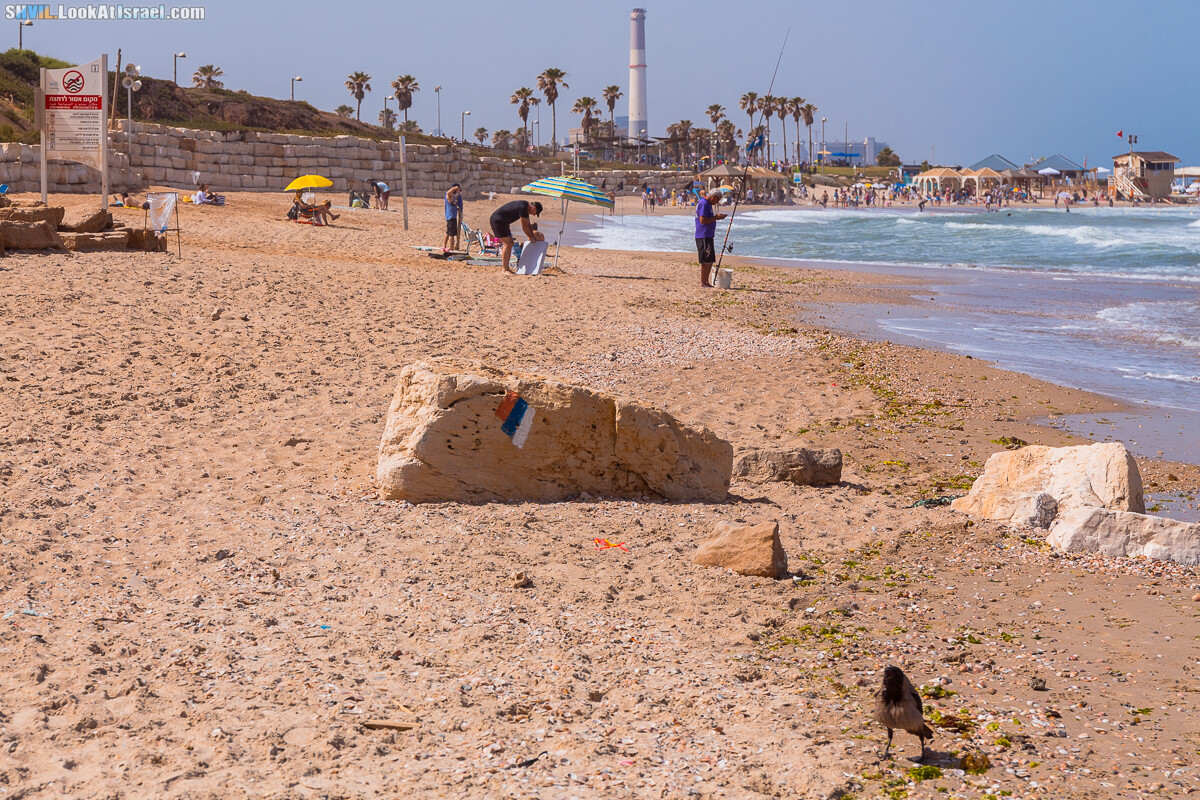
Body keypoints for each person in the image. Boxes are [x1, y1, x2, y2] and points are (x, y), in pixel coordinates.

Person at [488, 199, 543, 273]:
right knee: (508, 243)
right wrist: (531, 237)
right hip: (498, 221)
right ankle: (505, 269)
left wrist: (532, 236)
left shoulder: (524, 205)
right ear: (533, 208)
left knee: (509, 243)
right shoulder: (523, 207)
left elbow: (528, 225)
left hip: (501, 222)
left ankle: (506, 268)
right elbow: (525, 226)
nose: (532, 215)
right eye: (534, 213)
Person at [694, 189, 727, 288]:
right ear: (713, 197)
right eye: (717, 200)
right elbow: (702, 220)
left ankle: (706, 282)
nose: (717, 202)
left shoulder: (707, 204)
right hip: (703, 235)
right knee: (706, 260)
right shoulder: (704, 203)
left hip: (708, 235)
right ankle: (703, 282)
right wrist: (717, 218)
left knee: (710, 259)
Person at [443, 183, 464, 251]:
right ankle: (451, 248)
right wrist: (456, 188)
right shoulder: (449, 195)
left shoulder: (453, 196)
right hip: (451, 217)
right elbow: (449, 192)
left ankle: (444, 246)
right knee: (451, 234)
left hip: (450, 216)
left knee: (448, 232)